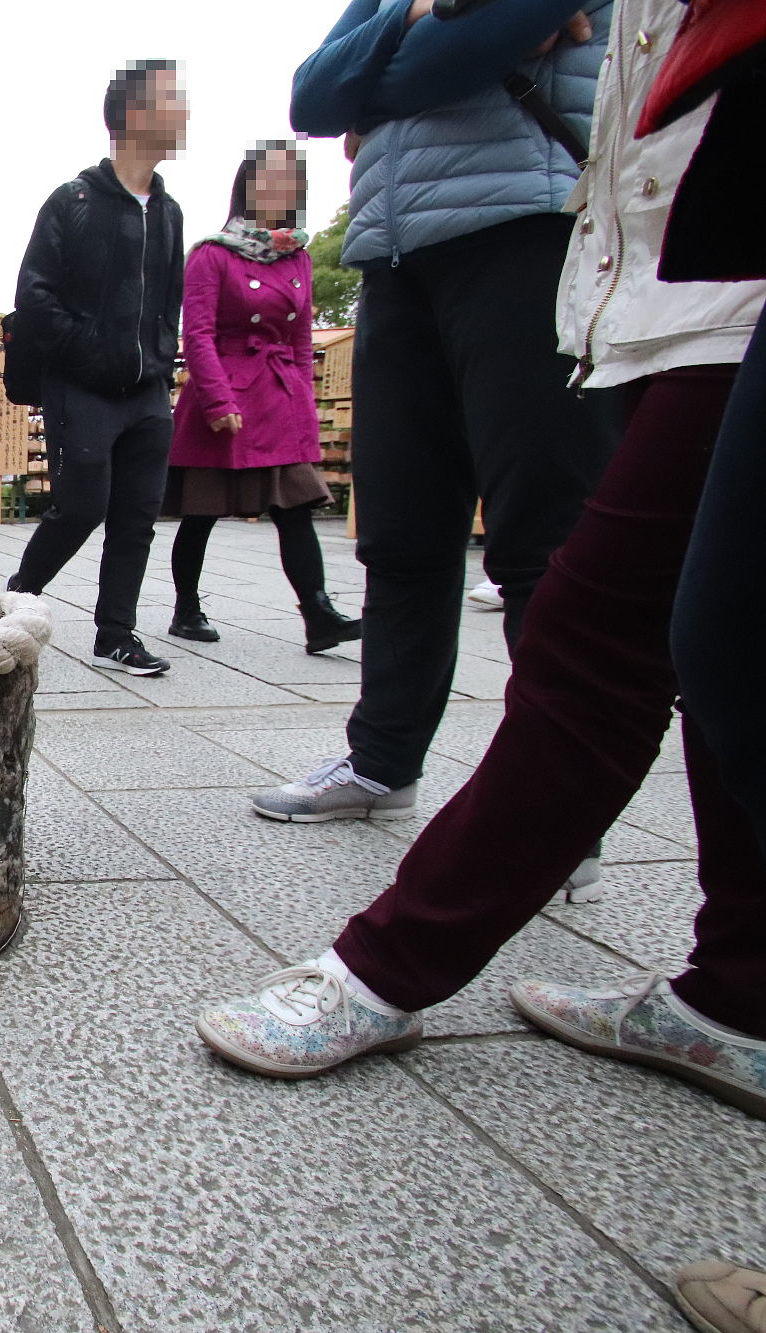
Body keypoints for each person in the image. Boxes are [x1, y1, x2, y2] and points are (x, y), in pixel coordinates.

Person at [194, 0, 766, 1125]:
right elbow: (318, 92)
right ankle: (737, 993)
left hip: (669, 276)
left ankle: (390, 964)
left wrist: (403, 55)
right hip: (645, 283)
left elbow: (471, 43)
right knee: (711, 639)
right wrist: (409, 26)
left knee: (592, 621)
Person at [249, 0, 619, 822]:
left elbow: (457, 54)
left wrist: (381, 80)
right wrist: (417, 15)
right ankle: (382, 762)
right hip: (396, 254)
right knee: (402, 535)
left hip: (529, 230)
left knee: (542, 538)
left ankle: (562, 802)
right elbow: (312, 97)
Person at [7, 60, 187, 677]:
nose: (183, 112)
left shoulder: (169, 211)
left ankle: (116, 635)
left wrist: (161, 360)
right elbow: (33, 296)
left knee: (136, 520)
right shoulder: (74, 201)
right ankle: (13, 605)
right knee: (80, 509)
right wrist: (90, 351)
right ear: (132, 116)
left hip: (148, 393)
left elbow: (170, 303)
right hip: (81, 388)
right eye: (171, 100)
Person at [162, 142, 361, 654]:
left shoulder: (299, 256)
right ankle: (186, 609)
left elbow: (298, 339)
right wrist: (218, 401)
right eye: (271, 177)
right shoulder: (212, 252)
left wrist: (305, 407)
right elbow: (198, 335)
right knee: (201, 511)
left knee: (294, 505)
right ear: (248, 186)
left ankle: (318, 613)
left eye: (292, 180)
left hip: (279, 397)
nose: (282, 188)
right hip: (222, 394)